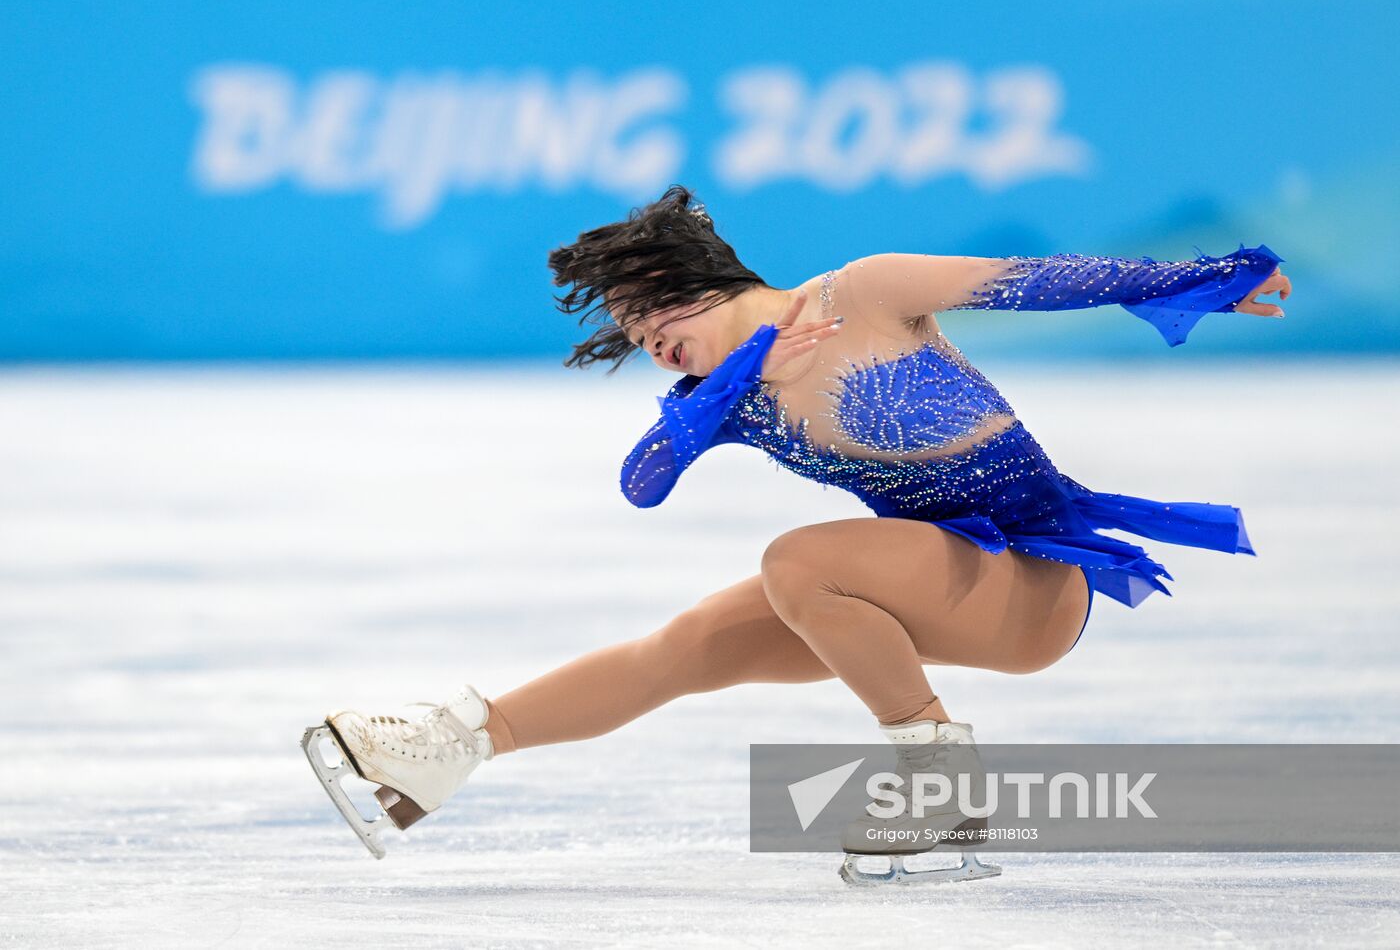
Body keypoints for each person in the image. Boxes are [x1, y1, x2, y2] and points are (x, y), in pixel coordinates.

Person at [302, 185, 1291, 875]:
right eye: (640, 344)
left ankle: (937, 776)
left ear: (693, 281)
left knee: (798, 563)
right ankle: (460, 743)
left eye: (653, 324)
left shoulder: (863, 294)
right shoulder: (727, 394)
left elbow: (1035, 280)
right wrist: (738, 375)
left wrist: (1206, 279)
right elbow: (642, 482)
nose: (653, 351)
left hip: (1030, 580)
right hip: (936, 575)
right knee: (687, 644)